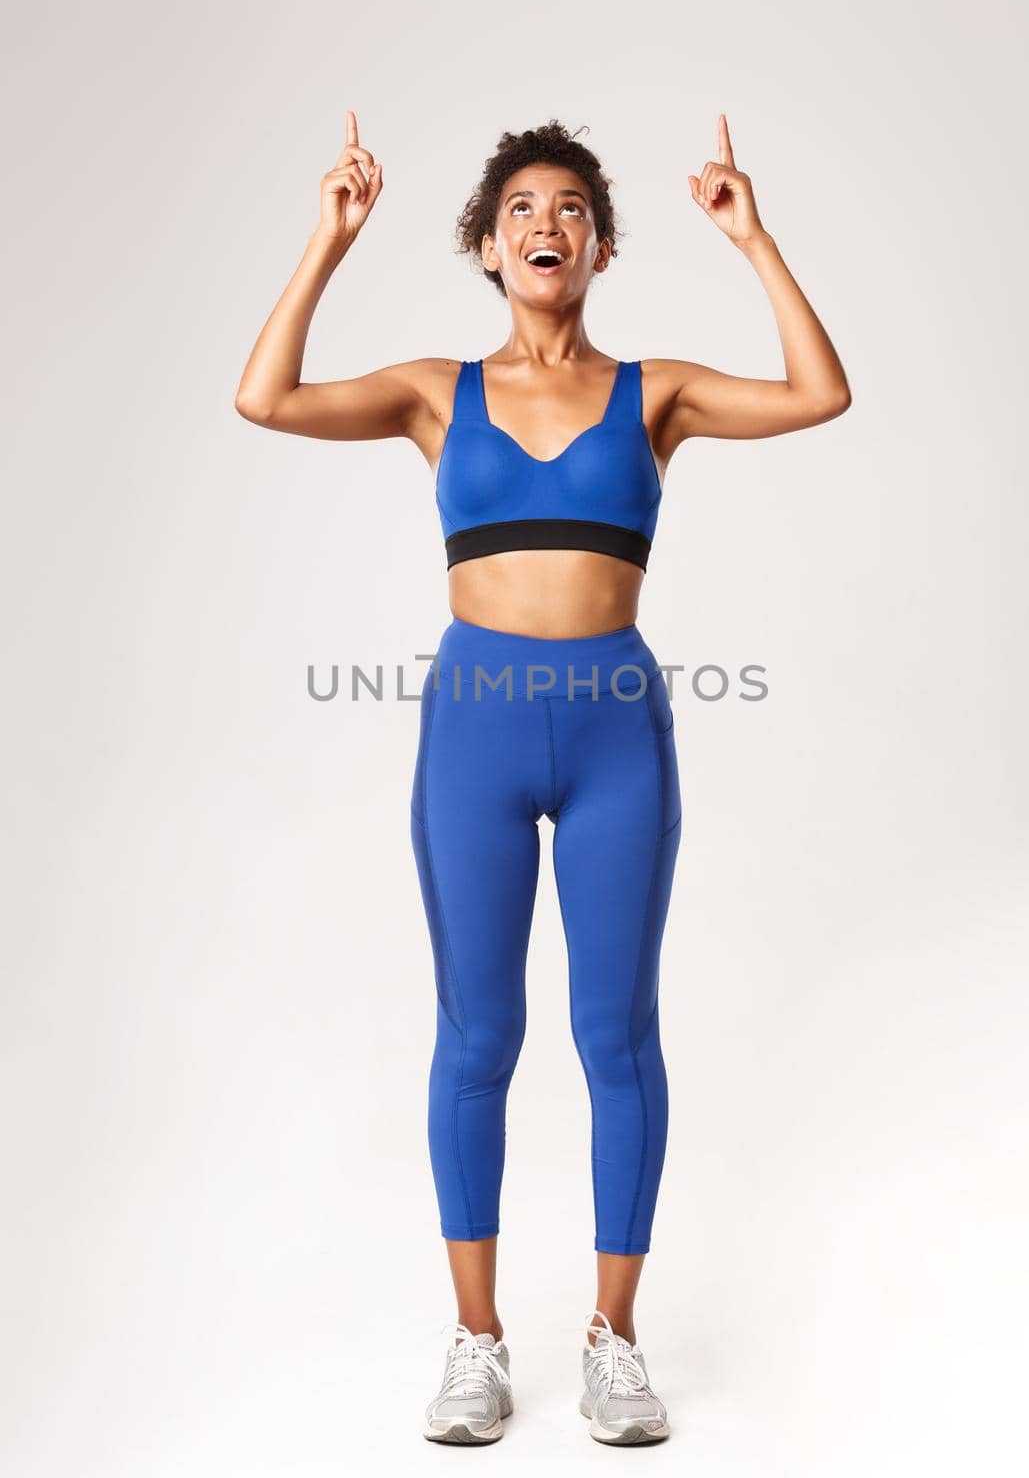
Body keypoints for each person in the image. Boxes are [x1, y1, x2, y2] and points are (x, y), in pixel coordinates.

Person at [235, 110, 851, 1445]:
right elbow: (265, 396)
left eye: (571, 208)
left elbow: (819, 391)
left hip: (619, 721)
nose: (545, 226)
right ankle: (475, 1341)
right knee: (478, 1036)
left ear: (601, 246)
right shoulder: (433, 393)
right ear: (487, 243)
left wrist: (753, 237)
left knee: (615, 1035)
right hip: (478, 723)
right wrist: (327, 241)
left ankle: (614, 1345)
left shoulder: (661, 392)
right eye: (521, 208)